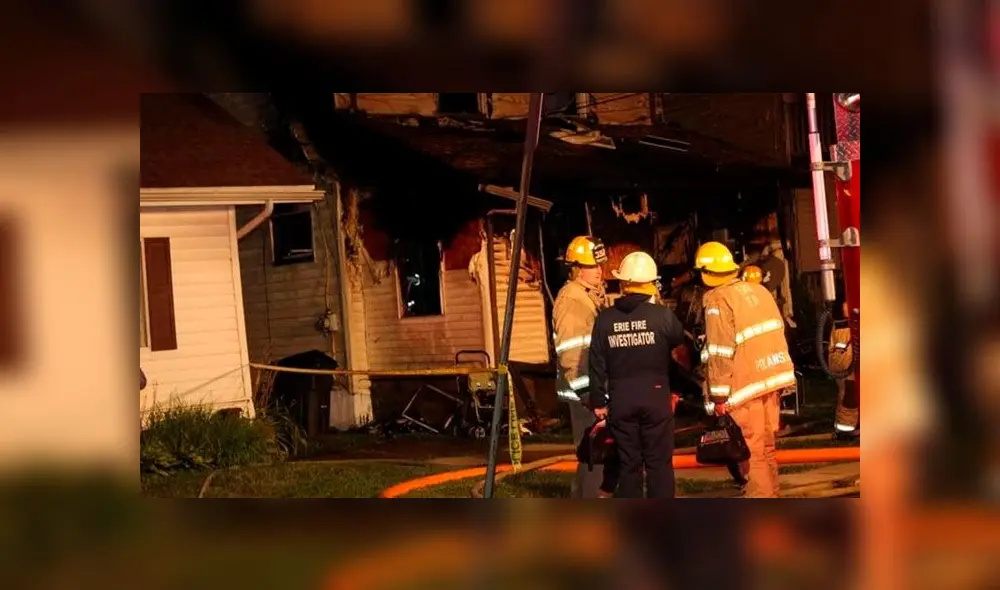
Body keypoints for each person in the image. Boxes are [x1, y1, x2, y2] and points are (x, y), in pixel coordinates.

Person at [694, 241, 796, 498]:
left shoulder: (718, 299)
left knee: (751, 453)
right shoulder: (758, 290)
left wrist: (718, 396)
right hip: (772, 379)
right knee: (766, 448)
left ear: (705, 273)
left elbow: (720, 352)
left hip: (745, 386)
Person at [588, 251, 686, 498]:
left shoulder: (605, 319)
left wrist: (598, 402)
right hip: (656, 398)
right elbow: (681, 355)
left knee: (628, 465)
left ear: (624, 284)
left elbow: (596, 363)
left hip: (621, 400)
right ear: (651, 283)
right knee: (659, 464)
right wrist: (678, 389)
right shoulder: (662, 316)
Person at [553, 235, 608, 498]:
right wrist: (589, 396)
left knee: (596, 455)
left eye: (599, 265)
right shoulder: (572, 300)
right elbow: (571, 354)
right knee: (593, 455)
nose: (599, 270)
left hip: (593, 391)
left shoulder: (590, 295)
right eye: (591, 266)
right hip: (584, 394)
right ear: (576, 268)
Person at [829, 301, 859, 437]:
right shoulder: (843, 327)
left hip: (846, 362)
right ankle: (845, 429)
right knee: (849, 392)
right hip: (846, 364)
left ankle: (847, 427)